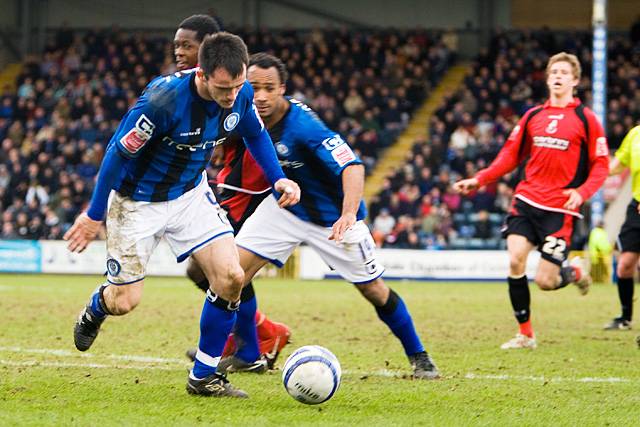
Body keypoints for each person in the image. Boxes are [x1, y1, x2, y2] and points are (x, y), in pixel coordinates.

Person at [65, 33, 301, 398]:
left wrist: (278, 179)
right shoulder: (162, 101)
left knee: (231, 276)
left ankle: (204, 376)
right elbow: (117, 154)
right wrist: (94, 214)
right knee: (124, 302)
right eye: (224, 88)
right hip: (137, 203)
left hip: (191, 194)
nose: (231, 96)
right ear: (201, 74)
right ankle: (98, 306)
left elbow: (255, 135)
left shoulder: (242, 93)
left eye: (237, 86)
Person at [225, 53, 438, 379]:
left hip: (332, 219)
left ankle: (420, 357)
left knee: (374, 290)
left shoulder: (304, 127)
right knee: (231, 276)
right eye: (254, 88)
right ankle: (246, 352)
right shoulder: (243, 112)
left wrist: (348, 214)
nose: (262, 96)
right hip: (285, 209)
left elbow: (352, 166)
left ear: (283, 88)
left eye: (270, 88)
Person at [453, 52, 609, 349]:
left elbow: (601, 164)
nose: (558, 76)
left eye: (564, 72)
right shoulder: (533, 116)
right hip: (526, 199)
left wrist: (582, 192)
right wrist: (480, 179)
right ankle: (525, 334)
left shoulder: (586, 120)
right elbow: (510, 156)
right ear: (548, 79)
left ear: (575, 80)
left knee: (546, 281)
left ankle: (574, 271)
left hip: (559, 209)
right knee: (515, 260)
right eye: (553, 72)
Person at [174, 14, 291, 369]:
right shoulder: (189, 89)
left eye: (187, 46)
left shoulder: (237, 86)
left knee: (219, 270)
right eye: (177, 45)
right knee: (211, 271)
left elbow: (259, 129)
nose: (179, 52)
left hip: (245, 189)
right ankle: (255, 335)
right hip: (225, 183)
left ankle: (250, 346)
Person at [605, 125, 640, 330]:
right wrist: (593, 173)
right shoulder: (635, 134)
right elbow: (616, 165)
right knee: (625, 265)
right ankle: (625, 318)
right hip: (636, 206)